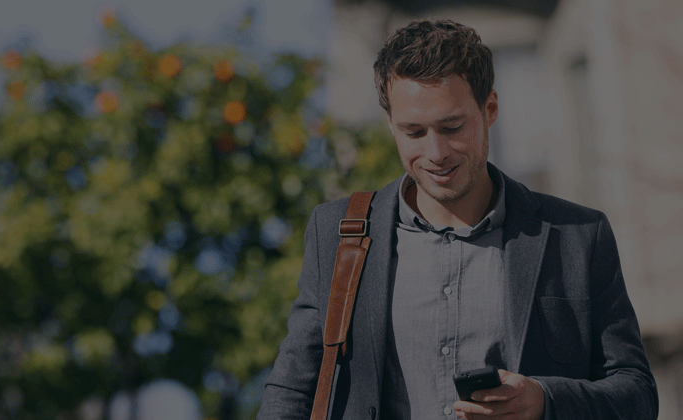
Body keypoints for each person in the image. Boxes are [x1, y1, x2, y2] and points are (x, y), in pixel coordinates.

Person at [258, 19, 658, 420]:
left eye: (452, 127)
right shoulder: (338, 234)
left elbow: (637, 394)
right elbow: (291, 392)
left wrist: (544, 400)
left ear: (490, 109)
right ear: (390, 125)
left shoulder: (578, 237)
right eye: (413, 132)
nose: (436, 152)